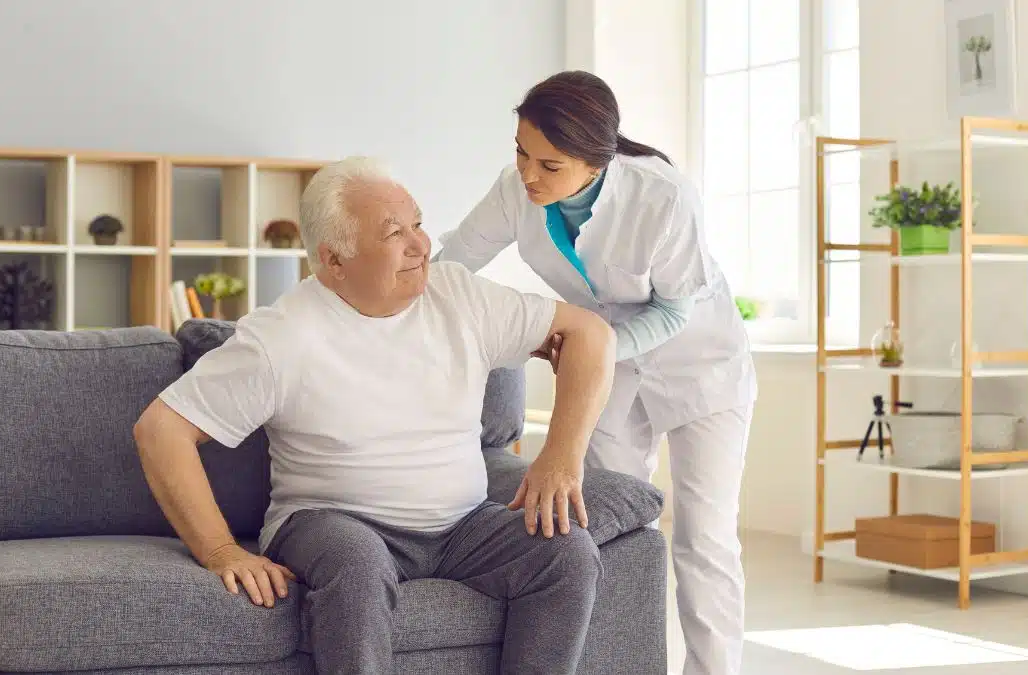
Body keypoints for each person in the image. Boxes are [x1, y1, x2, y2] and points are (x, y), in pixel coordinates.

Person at [132, 156, 618, 675]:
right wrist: (222, 551)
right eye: (394, 233)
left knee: (565, 552)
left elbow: (591, 334)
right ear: (334, 260)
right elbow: (162, 429)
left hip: (464, 526)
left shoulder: (459, 295)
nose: (420, 245)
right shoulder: (283, 336)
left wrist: (561, 457)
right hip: (332, 521)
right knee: (358, 563)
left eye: (418, 224)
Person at [435, 70, 758, 675]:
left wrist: (592, 347)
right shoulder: (517, 189)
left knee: (704, 537)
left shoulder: (663, 197)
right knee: (607, 522)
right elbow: (457, 259)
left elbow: (673, 310)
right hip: (614, 371)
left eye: (549, 165)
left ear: (595, 161)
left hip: (701, 367)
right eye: (521, 153)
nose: (529, 174)